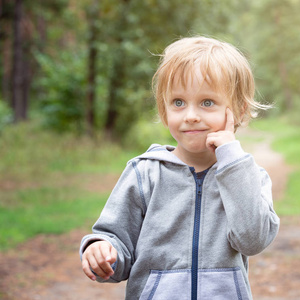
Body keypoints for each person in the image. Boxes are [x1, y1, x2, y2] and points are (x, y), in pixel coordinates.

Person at [80, 36, 280, 300]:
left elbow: (252, 240)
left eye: (207, 102)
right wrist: (102, 249)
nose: (191, 115)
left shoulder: (248, 176)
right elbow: (118, 245)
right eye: (178, 102)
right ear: (164, 109)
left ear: (238, 111)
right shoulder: (144, 174)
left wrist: (231, 162)